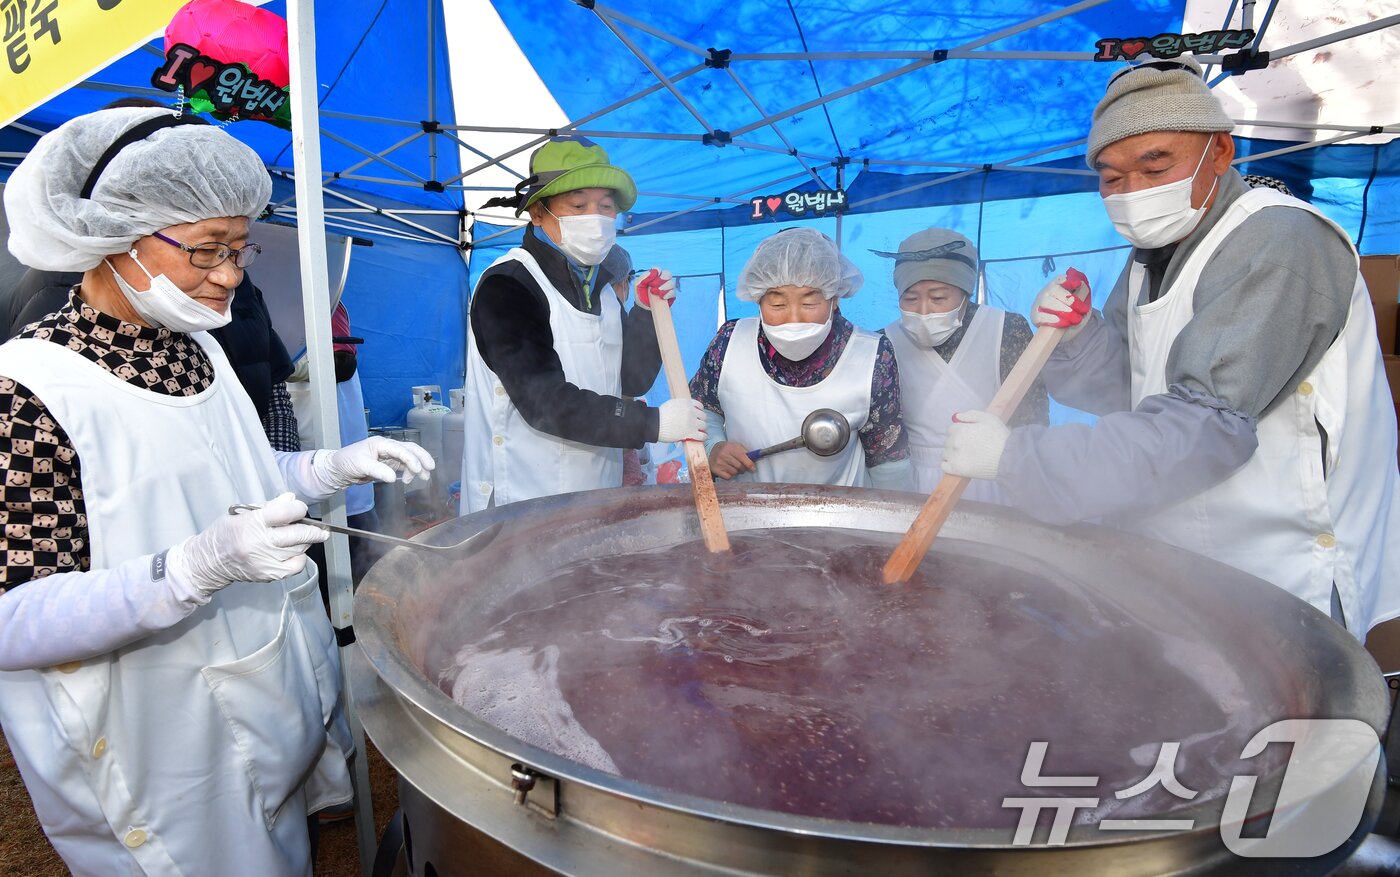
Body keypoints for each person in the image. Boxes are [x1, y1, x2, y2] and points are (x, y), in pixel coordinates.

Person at [0, 107, 434, 876]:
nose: (232, 274)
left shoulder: (193, 342)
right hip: (143, 732)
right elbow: (14, 618)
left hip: (248, 682)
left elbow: (230, 470)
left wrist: (329, 468)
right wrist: (194, 568)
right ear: (112, 237)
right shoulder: (30, 391)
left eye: (240, 248)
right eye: (207, 249)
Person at [940, 57, 1400, 640]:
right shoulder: (1152, 256)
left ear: (1222, 152)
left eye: (1156, 166)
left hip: (1282, 570)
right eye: (1111, 178)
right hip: (1186, 561)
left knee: (1295, 727)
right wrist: (1082, 340)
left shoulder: (1279, 243)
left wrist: (1018, 460)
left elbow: (1204, 428)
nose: (1133, 193)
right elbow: (1129, 392)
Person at [462, 136, 703, 512]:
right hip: (524, 499)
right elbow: (545, 401)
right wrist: (652, 423)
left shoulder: (603, 287)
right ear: (538, 212)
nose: (596, 217)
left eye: (605, 207)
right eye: (578, 205)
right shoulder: (509, 285)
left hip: (594, 494)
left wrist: (643, 314)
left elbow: (630, 380)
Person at [690, 227, 911, 488]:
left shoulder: (872, 355)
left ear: (835, 298)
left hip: (841, 519)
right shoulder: (729, 341)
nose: (793, 319)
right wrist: (713, 446)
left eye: (809, 304)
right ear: (757, 299)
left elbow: (887, 458)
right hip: (743, 514)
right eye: (777, 305)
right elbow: (701, 409)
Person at [877, 228, 1047, 499]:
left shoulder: (1005, 329)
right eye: (910, 298)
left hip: (991, 481)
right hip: (914, 486)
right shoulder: (884, 344)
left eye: (938, 298)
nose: (923, 310)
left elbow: (1033, 419)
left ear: (965, 292)